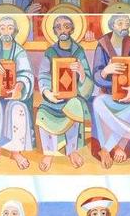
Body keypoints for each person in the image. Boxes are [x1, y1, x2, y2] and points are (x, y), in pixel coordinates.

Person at [90, 13, 130, 169]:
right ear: (111, 26)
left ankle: (109, 148)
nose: (125, 26)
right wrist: (106, 71)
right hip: (109, 96)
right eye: (120, 23)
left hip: (128, 97)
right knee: (97, 102)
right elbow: (96, 75)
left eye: (127, 23)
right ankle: (116, 145)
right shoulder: (102, 46)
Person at [36, 15, 94, 172]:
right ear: (54, 31)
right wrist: (47, 92)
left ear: (72, 30)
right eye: (59, 27)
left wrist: (81, 73)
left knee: (75, 107)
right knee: (42, 112)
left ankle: (72, 150)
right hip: (54, 96)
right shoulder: (50, 52)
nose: (62, 30)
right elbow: (43, 75)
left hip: (73, 96)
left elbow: (88, 82)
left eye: (66, 26)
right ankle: (49, 153)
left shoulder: (78, 51)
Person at [0, 17, 36, 171]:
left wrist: (19, 86)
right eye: (3, 28)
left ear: (15, 31)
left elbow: (27, 73)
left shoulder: (20, 52)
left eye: (10, 28)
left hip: (14, 94)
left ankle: (15, 152)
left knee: (17, 109)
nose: (6, 31)